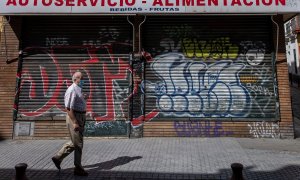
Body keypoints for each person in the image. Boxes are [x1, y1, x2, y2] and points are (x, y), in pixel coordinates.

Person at [52, 71, 88, 176]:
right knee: (78, 144)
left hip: (80, 116)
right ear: (76, 79)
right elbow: (68, 108)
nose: (83, 80)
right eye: (82, 78)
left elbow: (76, 102)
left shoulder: (78, 89)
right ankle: (78, 168)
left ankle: (57, 158)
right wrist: (75, 122)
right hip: (75, 117)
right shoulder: (72, 90)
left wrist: (83, 97)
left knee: (75, 141)